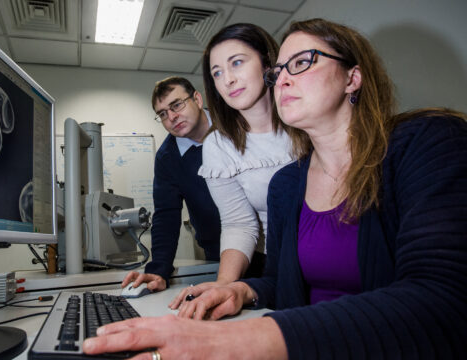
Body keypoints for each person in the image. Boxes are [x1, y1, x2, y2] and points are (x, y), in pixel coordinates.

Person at [84, 18, 467, 359]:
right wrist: (236, 291)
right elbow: (283, 283)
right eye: (280, 70)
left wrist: (235, 342)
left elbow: (445, 301)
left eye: (301, 63)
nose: (281, 78)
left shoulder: (429, 141)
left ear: (353, 77)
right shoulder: (287, 184)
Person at [169, 23, 293, 308]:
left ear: (267, 62)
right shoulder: (219, 145)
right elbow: (240, 223)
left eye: (236, 63)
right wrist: (224, 285)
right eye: (217, 73)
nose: (227, 80)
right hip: (278, 267)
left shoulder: (305, 119)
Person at [121, 77, 222, 292]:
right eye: (163, 114)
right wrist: (159, 270)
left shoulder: (233, 123)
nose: (172, 117)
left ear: (197, 98)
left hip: (271, 239)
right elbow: (166, 215)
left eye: (177, 105)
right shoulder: (167, 157)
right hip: (219, 250)